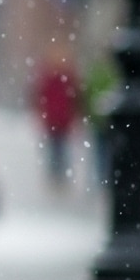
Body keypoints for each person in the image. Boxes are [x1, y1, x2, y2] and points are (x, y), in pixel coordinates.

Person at [32, 46, 80, 186]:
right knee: (56, 148)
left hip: (60, 120)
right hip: (54, 120)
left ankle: (59, 174)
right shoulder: (56, 79)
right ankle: (56, 174)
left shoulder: (61, 79)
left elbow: (73, 100)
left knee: (59, 148)